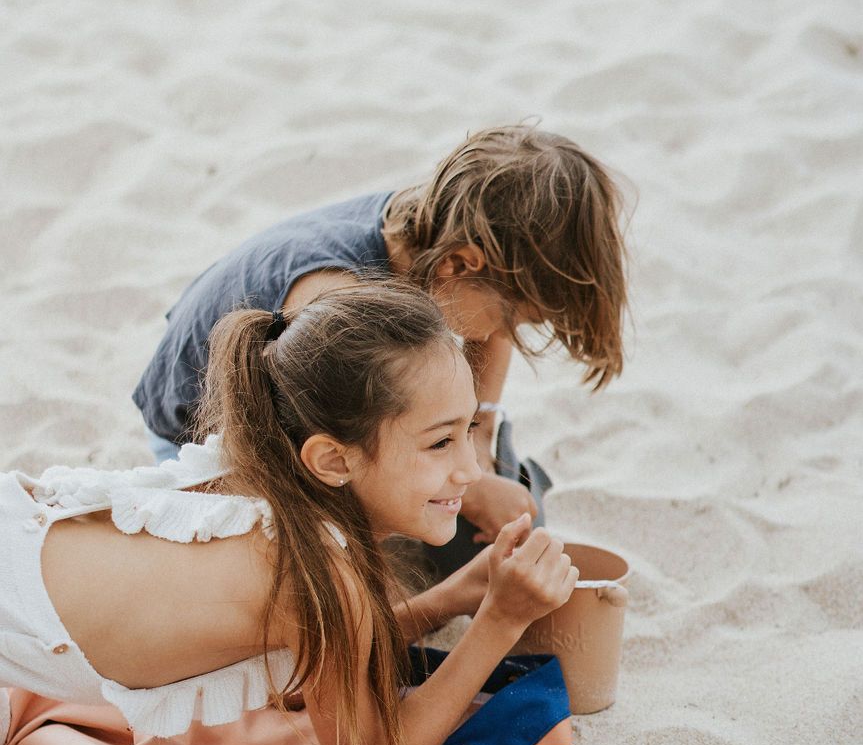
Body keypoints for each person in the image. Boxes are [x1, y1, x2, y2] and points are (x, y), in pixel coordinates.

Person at [0, 284, 578, 745]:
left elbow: (335, 648)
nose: (470, 468)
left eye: (470, 429)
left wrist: (457, 596)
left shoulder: (277, 478)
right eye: (440, 443)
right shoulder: (319, 576)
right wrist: (500, 620)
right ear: (332, 459)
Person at [132, 124, 629, 566]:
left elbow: (488, 332)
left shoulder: (439, 228)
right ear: (461, 263)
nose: (510, 333)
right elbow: (342, 451)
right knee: (411, 555)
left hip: (347, 409)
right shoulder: (337, 308)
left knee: (494, 513)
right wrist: (474, 489)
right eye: (516, 316)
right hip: (214, 432)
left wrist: (480, 432)